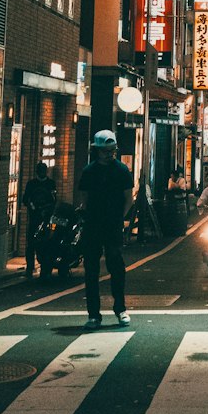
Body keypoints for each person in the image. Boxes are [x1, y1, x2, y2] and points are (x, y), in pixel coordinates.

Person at [77, 130, 133, 329]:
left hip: (112, 225)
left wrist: (120, 218)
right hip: (93, 224)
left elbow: (129, 198)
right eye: (106, 151)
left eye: (112, 150)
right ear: (97, 150)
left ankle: (121, 309)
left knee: (116, 266)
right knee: (91, 269)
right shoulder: (89, 171)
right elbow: (84, 198)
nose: (110, 154)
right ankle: (94, 315)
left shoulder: (122, 170)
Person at [22, 161, 56, 278]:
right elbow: (26, 199)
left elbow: (54, 199)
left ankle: (45, 267)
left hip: (47, 218)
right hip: (35, 217)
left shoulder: (50, 183)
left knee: (47, 242)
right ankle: (30, 267)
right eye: (40, 171)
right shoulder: (32, 184)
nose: (42, 173)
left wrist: (47, 209)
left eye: (43, 171)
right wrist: (33, 207)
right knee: (31, 243)